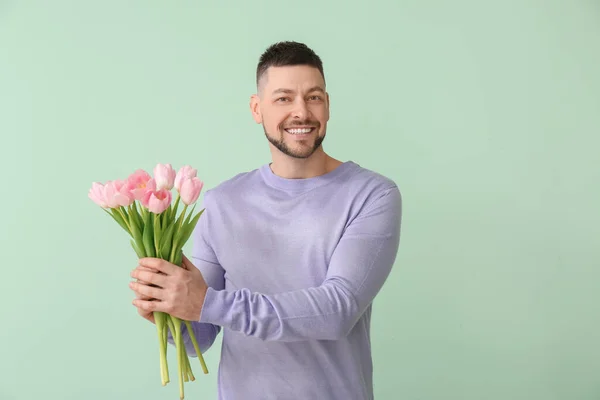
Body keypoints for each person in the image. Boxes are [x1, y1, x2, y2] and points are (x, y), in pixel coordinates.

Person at [129, 41, 403, 400]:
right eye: (284, 98)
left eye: (314, 97)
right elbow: (201, 336)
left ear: (328, 105)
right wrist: (168, 313)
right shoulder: (221, 202)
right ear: (257, 109)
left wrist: (206, 302)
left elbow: (338, 310)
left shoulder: (372, 195)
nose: (301, 112)